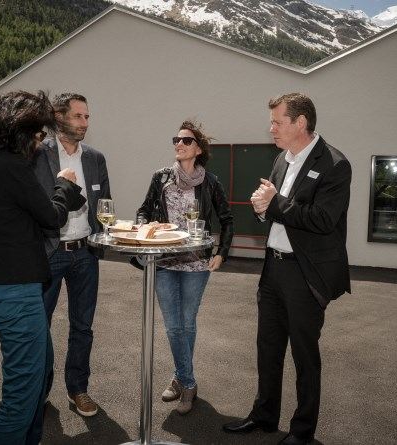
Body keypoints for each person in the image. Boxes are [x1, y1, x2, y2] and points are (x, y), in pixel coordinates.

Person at [0, 90, 86, 444]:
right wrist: (64, 185)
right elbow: (52, 217)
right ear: (23, 132)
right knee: (21, 397)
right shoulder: (12, 167)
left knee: (37, 374)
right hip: (15, 293)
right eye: (39, 135)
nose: (41, 143)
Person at [223, 93, 351, 445]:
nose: (272, 128)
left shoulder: (335, 164)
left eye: (277, 122)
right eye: (272, 122)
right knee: (268, 347)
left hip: (305, 274)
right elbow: (274, 210)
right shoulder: (282, 158)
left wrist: (274, 203)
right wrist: (261, 208)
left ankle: (302, 433)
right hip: (274, 269)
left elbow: (323, 219)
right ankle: (264, 416)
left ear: (300, 122)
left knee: (304, 356)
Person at [136, 120, 233, 414]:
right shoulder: (161, 177)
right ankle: (188, 382)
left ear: (198, 149)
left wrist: (222, 253)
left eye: (186, 140)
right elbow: (143, 211)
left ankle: (180, 378)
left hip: (196, 262)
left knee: (186, 324)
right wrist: (146, 228)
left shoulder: (210, 182)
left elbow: (227, 219)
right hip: (164, 261)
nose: (179, 144)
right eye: (176, 139)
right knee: (173, 325)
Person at [32, 93, 110, 417]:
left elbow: (105, 204)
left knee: (83, 327)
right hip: (49, 253)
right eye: (78, 116)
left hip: (85, 253)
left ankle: (78, 389)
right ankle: (38, 391)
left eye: (87, 117)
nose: (85, 123)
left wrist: (106, 236)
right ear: (59, 117)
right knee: (40, 327)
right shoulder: (38, 154)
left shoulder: (95, 158)